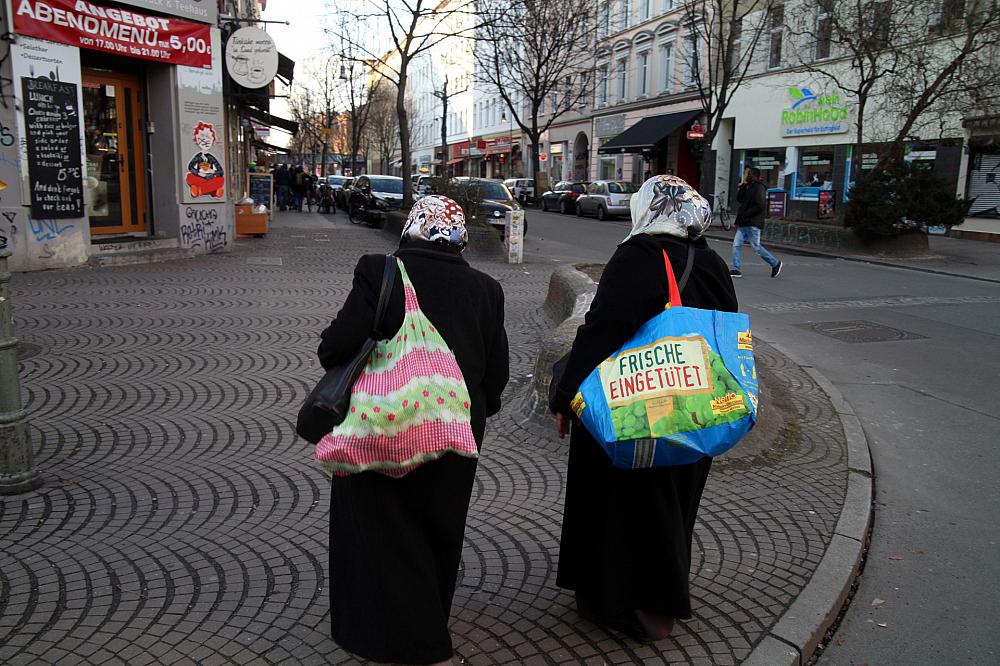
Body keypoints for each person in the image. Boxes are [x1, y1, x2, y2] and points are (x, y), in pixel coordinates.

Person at [317, 195, 510, 665]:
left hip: (382, 424)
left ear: (411, 228)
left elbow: (335, 348)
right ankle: (428, 621)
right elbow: (496, 374)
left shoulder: (380, 272)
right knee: (438, 530)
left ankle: (398, 638)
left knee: (381, 528)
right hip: (455, 431)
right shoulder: (486, 289)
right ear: (460, 236)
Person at [549, 174, 737, 643]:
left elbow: (601, 331)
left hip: (635, 405)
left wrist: (566, 396)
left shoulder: (640, 256)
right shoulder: (709, 261)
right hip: (694, 408)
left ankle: (630, 605)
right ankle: (659, 595)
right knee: (671, 504)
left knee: (621, 503)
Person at [731, 167, 782, 278]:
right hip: (744, 222)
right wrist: (743, 185)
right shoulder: (748, 186)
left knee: (756, 246)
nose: (745, 175)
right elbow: (739, 199)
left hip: (753, 222)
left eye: (747, 174)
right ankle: (736, 269)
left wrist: (745, 214)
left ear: (753, 175)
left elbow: (760, 205)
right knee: (736, 245)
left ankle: (775, 263)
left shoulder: (759, 187)